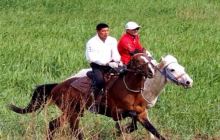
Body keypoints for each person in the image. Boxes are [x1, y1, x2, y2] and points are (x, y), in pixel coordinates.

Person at [85, 23, 121, 108]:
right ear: (98, 31)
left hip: (112, 64)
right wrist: (107, 63)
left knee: (124, 74)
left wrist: (117, 61)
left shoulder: (112, 40)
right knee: (100, 81)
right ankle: (94, 103)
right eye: (103, 31)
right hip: (98, 66)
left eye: (107, 30)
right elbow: (92, 58)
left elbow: (115, 52)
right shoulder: (91, 42)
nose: (106, 33)